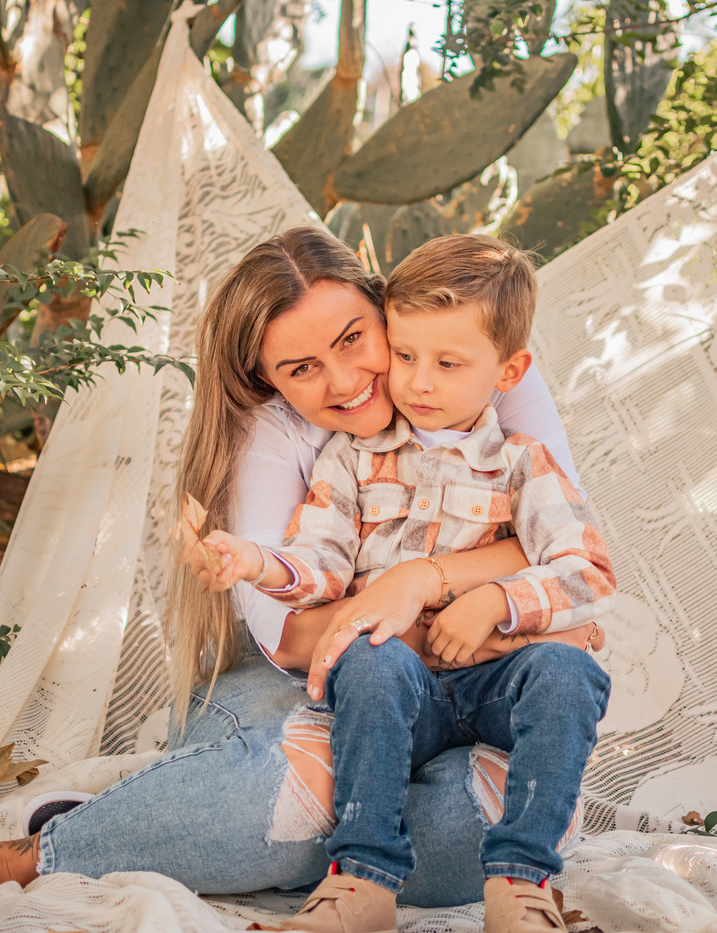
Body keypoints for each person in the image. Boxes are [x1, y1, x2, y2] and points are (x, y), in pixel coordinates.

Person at [0, 227, 603, 908]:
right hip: (295, 677)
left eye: (354, 338)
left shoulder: (468, 358)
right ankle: (49, 848)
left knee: (516, 811)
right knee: (310, 792)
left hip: (447, 682)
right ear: (268, 378)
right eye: (301, 368)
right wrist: (454, 622)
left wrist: (424, 583)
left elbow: (562, 541)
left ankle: (246, 844)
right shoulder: (279, 435)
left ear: (385, 308)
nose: (345, 381)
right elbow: (292, 637)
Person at [199, 235, 614, 933]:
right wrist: (254, 563)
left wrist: (498, 602)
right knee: (370, 654)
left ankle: (521, 884)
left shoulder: (523, 463)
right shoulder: (349, 461)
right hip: (398, 691)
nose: (419, 383)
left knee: (568, 672)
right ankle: (363, 880)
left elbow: (589, 570)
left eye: (447, 364)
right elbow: (322, 565)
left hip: (495, 679)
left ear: (509, 371)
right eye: (407, 356)